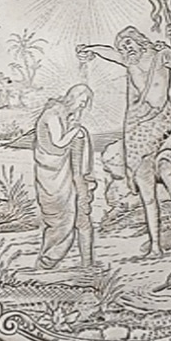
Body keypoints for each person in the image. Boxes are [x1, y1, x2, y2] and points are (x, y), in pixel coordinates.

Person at [77, 22, 171, 256]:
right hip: (139, 130)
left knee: (168, 170)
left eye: (129, 43)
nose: (126, 49)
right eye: (122, 46)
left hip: (165, 122)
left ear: (140, 41)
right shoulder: (129, 62)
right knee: (146, 187)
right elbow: (109, 52)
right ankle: (155, 244)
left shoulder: (161, 55)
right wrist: (91, 49)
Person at [32, 83, 96, 269]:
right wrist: (76, 130)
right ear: (73, 97)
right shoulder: (53, 114)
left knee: (80, 218)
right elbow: (59, 143)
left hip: (67, 174)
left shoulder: (66, 116)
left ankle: (87, 264)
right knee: (61, 220)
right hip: (52, 176)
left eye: (85, 103)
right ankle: (46, 262)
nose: (82, 106)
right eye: (82, 101)